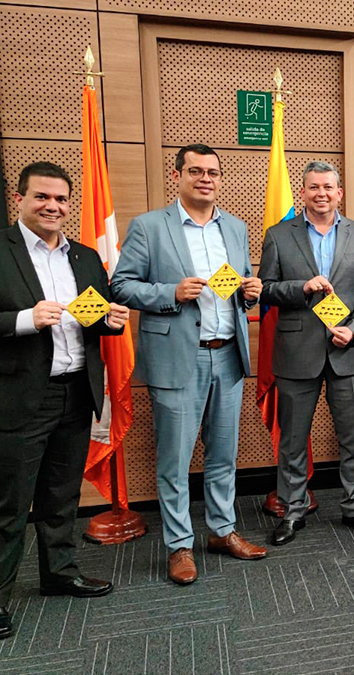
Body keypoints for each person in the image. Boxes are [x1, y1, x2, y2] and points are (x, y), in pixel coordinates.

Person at [0, 162, 128, 640]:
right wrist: (24, 318)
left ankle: (59, 574)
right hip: (12, 397)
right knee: (7, 503)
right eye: (42, 197)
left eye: (62, 199)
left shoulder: (85, 257)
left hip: (73, 392)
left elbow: (92, 316)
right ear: (20, 199)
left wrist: (109, 320)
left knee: (61, 496)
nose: (53, 207)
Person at [112, 144, 267, 585]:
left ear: (220, 179)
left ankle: (221, 531)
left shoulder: (234, 228)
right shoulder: (149, 227)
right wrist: (168, 293)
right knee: (175, 460)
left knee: (223, 455)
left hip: (228, 355)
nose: (205, 178)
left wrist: (250, 290)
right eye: (195, 170)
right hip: (179, 356)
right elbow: (121, 286)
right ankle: (179, 545)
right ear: (177, 174)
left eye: (213, 172)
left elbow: (237, 283)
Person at [259, 161, 354, 544]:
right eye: (314, 187)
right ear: (304, 191)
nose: (321, 194)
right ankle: (293, 512)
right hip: (297, 352)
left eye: (328, 187)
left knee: (353, 438)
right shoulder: (279, 235)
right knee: (293, 439)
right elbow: (265, 289)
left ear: (339, 192)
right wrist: (301, 287)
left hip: (348, 352)